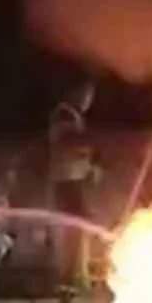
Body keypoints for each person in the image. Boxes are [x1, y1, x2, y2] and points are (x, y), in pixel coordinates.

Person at [47, 79, 100, 287]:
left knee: (80, 229)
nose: (88, 101)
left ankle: (78, 274)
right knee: (75, 229)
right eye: (86, 95)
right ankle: (71, 277)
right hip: (66, 182)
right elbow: (70, 142)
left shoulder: (73, 115)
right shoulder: (64, 114)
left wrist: (91, 163)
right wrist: (92, 148)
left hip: (73, 180)